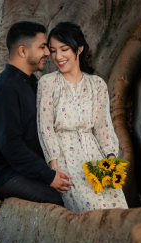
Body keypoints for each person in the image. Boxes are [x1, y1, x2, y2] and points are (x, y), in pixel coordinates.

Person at [37, 22, 129, 213]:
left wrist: (111, 159)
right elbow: (45, 127)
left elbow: (103, 126)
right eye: (53, 51)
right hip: (65, 159)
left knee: (118, 210)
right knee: (88, 211)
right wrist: (53, 168)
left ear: (79, 49)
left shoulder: (97, 84)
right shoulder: (48, 83)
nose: (58, 56)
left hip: (95, 157)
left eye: (64, 49)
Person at [0, 21, 74, 206]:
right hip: (6, 172)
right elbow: (11, 145)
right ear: (22, 51)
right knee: (55, 200)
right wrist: (48, 176)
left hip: (29, 168)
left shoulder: (33, 83)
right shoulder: (5, 89)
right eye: (42, 47)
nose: (48, 53)